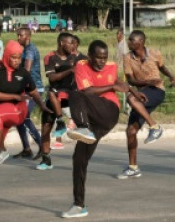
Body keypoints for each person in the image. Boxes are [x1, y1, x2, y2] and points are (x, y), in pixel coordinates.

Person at [62, 40, 148, 218]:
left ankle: (83, 128)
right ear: (89, 56)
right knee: (79, 159)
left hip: (109, 112)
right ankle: (79, 205)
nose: (102, 61)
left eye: (105, 57)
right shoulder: (81, 66)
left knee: (76, 95)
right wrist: (112, 87)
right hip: (94, 121)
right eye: (98, 58)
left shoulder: (111, 66)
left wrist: (132, 91)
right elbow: (88, 91)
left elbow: (115, 80)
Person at [0, 40, 48, 205]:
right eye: (14, 57)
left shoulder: (23, 72)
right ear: (6, 56)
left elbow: (34, 92)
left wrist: (43, 107)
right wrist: (12, 95)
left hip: (17, 111)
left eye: (19, 57)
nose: (17, 61)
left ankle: (2, 149)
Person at [117, 30, 175, 178]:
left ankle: (154, 127)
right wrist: (147, 82)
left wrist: (172, 77)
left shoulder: (155, 53)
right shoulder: (127, 58)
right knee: (131, 131)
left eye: (131, 40)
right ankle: (133, 168)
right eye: (129, 40)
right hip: (142, 94)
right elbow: (130, 80)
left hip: (156, 91)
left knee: (132, 98)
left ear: (141, 42)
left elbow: (162, 67)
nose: (129, 42)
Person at [37, 33, 87, 170]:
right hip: (55, 97)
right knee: (46, 128)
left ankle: (81, 156)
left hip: (71, 97)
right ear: (61, 43)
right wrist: (70, 70)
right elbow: (52, 78)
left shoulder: (76, 57)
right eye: (70, 43)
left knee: (83, 128)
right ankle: (46, 159)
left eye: (74, 43)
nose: (73, 46)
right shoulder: (50, 57)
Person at [14, 28, 44, 158]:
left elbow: (26, 71)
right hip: (26, 89)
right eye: (17, 35)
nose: (18, 38)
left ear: (28, 37)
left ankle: (42, 147)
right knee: (19, 119)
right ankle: (26, 149)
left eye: (20, 35)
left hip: (34, 90)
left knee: (24, 117)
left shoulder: (30, 50)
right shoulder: (25, 50)